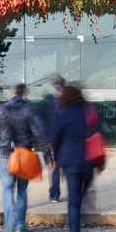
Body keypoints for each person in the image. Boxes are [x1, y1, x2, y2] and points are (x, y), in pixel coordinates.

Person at [0, 83, 52, 232]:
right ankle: (21, 224)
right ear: (23, 95)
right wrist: (47, 157)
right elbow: (39, 134)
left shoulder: (0, 110)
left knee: (7, 190)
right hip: (24, 155)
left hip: (5, 155)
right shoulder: (28, 110)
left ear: (12, 94)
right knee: (22, 190)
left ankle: (9, 228)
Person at [51, 85, 98, 232]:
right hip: (88, 162)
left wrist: (56, 160)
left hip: (70, 162)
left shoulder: (62, 115)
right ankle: (83, 197)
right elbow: (98, 134)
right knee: (81, 194)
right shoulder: (89, 113)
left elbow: (56, 141)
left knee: (73, 203)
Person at [40, 73, 65, 202]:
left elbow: (42, 121)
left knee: (54, 166)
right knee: (60, 165)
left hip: (52, 138)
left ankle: (54, 193)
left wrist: (47, 139)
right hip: (64, 138)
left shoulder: (47, 100)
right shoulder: (67, 99)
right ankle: (69, 190)